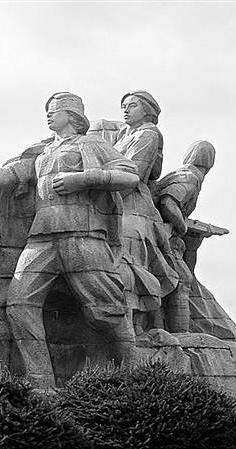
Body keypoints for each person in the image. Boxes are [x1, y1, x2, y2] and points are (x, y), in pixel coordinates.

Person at [0, 92, 140, 387]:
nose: (48, 115)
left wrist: (82, 179)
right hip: (41, 237)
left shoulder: (90, 144)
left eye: (54, 110)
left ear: (72, 115)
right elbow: (11, 177)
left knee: (107, 311)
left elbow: (129, 175)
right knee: (19, 305)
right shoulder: (42, 153)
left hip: (83, 235)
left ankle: (139, 375)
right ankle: (41, 385)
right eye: (47, 110)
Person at [89, 91, 178, 333]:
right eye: (124, 106)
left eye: (133, 105)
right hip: (115, 199)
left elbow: (133, 174)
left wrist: (100, 203)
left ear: (147, 110)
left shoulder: (148, 134)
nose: (126, 110)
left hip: (132, 203)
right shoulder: (126, 134)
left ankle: (136, 324)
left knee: (131, 255)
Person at [155, 141, 215, 332]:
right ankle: (180, 333)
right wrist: (182, 228)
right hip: (163, 237)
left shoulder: (185, 174)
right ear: (210, 161)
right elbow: (168, 203)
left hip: (163, 236)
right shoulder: (189, 177)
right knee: (181, 280)